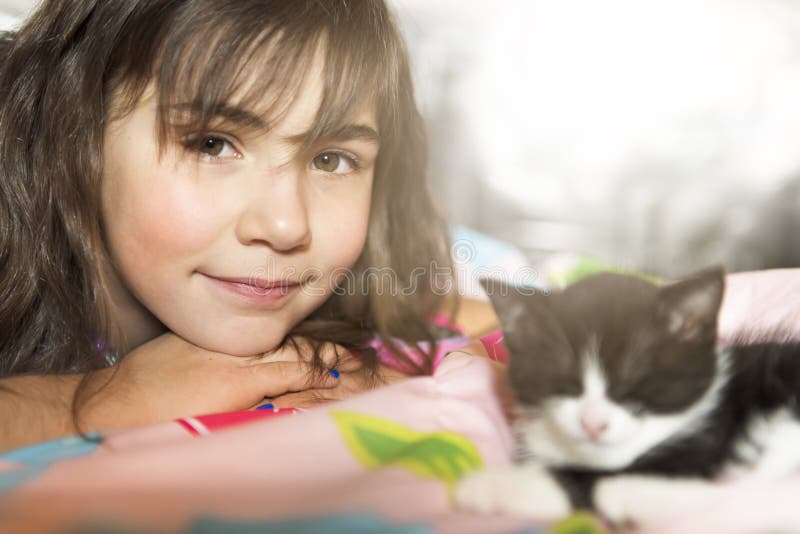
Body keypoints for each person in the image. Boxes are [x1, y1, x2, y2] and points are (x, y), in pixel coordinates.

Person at [0, 0, 499, 453]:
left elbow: (491, 319)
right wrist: (95, 402)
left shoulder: (355, 285)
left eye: (331, 159)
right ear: (76, 128)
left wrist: (472, 383)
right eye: (212, 144)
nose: (285, 226)